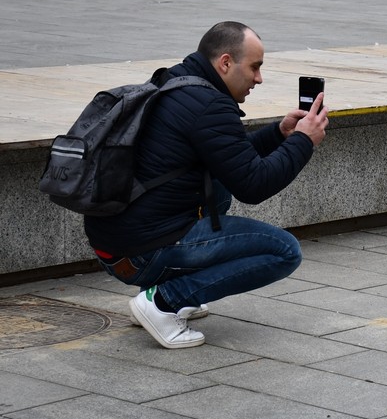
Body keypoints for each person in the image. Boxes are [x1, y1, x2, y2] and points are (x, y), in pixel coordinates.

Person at [84, 21, 329, 349]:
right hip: (142, 251)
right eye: (255, 67)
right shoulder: (210, 105)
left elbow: (230, 158)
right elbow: (254, 186)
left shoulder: (176, 80)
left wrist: (279, 134)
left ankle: (161, 293)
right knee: (283, 251)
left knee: (219, 186)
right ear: (225, 63)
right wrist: (303, 142)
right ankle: (164, 302)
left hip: (115, 245)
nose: (259, 78)